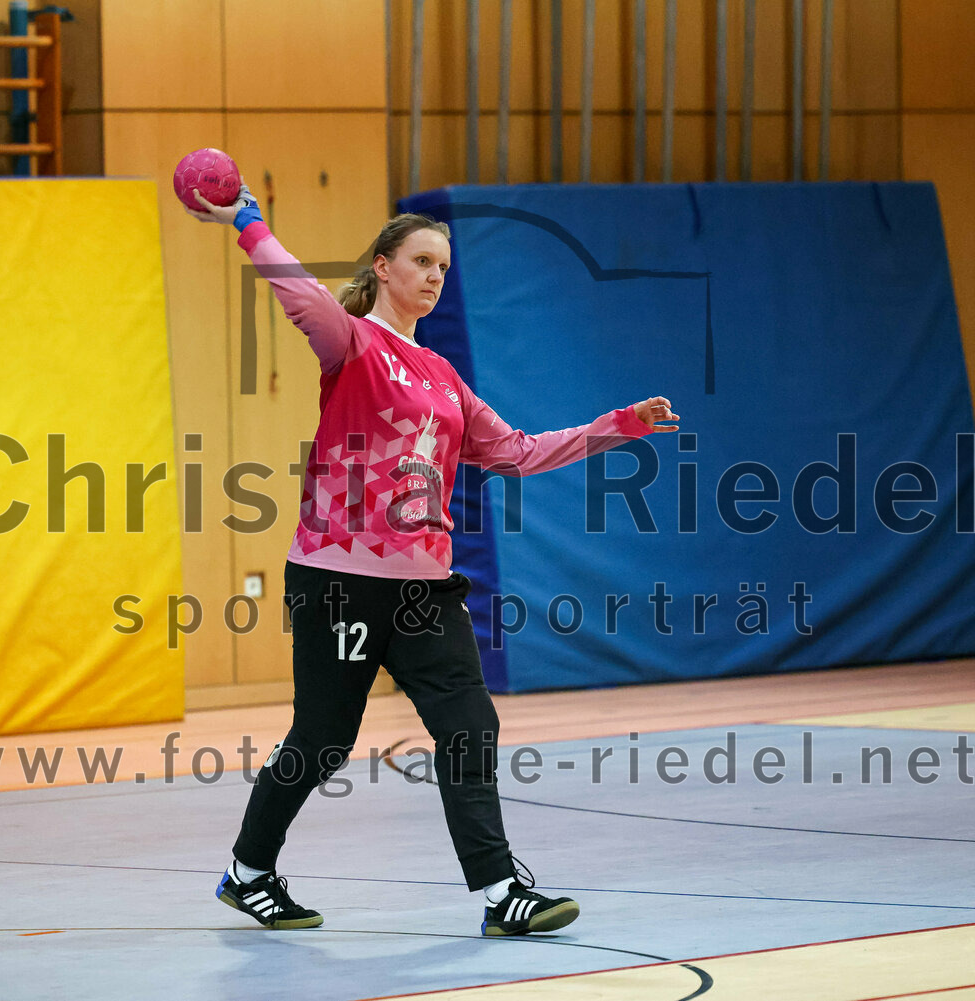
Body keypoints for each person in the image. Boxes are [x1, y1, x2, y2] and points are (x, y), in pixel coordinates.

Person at [185, 180, 679, 936]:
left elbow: (515, 451)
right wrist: (247, 220)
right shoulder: (354, 345)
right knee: (321, 740)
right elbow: (301, 294)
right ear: (383, 266)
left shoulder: (444, 378)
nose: (433, 276)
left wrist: (621, 425)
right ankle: (250, 871)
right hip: (338, 577)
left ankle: (500, 892)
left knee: (469, 724)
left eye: (443, 268)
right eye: (420, 261)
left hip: (424, 588)